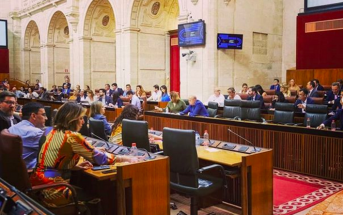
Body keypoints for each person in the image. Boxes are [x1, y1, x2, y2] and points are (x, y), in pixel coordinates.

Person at [30, 102, 143, 207]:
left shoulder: (49, 130)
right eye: (80, 118)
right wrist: (127, 158)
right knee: (102, 197)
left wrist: (74, 166)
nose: (83, 122)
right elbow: (101, 158)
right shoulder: (72, 136)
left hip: (38, 184)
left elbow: (53, 159)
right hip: (54, 190)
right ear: (72, 120)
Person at [9, 102, 47, 169]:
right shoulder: (36, 133)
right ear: (33, 116)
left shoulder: (12, 128)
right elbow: (52, 151)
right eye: (43, 115)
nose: (46, 118)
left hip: (8, 171)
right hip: (28, 173)